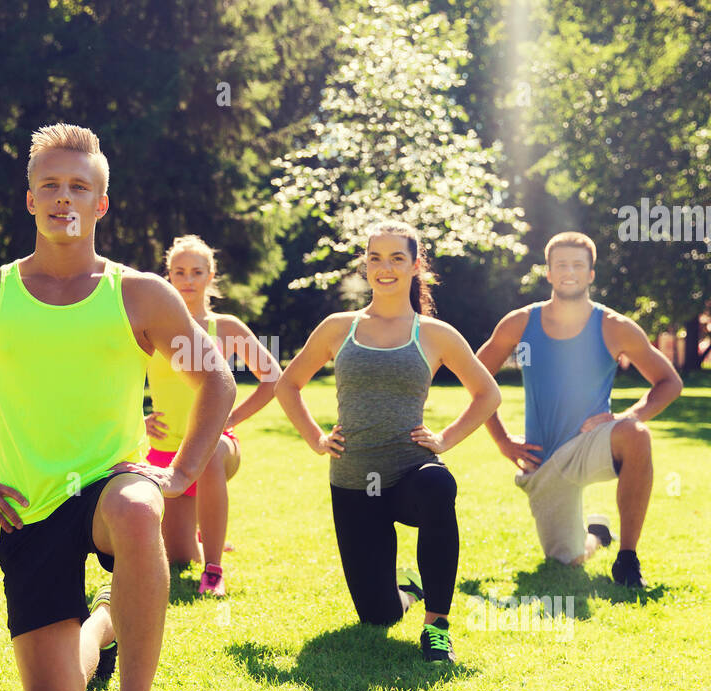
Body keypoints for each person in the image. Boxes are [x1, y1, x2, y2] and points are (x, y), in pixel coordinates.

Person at [0, 123, 235, 691]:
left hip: (111, 487)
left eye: (79, 186)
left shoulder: (138, 293)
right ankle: (110, 616)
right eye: (49, 185)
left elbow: (217, 378)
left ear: (101, 204)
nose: (63, 197)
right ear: (29, 199)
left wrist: (182, 472)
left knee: (139, 506)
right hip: (27, 512)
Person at [275, 220, 500, 663]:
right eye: (375, 257)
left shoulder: (434, 333)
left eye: (397, 258)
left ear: (416, 265)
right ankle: (409, 591)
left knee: (438, 487)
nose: (385, 267)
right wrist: (317, 439)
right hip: (355, 481)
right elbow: (288, 385)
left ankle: (437, 626)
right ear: (365, 265)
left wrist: (445, 439)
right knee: (378, 616)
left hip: (408, 474)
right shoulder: (339, 327)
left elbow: (487, 394)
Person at [474, 231, 683, 587]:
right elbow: (476, 378)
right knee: (567, 559)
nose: (569, 271)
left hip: (593, 443)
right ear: (549, 273)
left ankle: (628, 560)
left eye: (577, 265)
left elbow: (669, 382)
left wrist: (625, 417)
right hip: (545, 459)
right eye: (561, 265)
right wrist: (503, 441)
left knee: (636, 434)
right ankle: (597, 536)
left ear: (590, 273)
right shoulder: (520, 323)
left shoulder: (615, 327)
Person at [145, 234, 280, 596]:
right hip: (166, 455)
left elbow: (273, 378)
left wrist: (231, 418)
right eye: (179, 272)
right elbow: (114, 379)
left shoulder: (228, 328)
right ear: (168, 276)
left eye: (196, 272)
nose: (188, 280)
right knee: (177, 559)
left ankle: (214, 569)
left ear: (210, 275)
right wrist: (136, 421)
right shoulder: (150, 326)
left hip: (219, 449)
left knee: (209, 451)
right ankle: (203, 538)